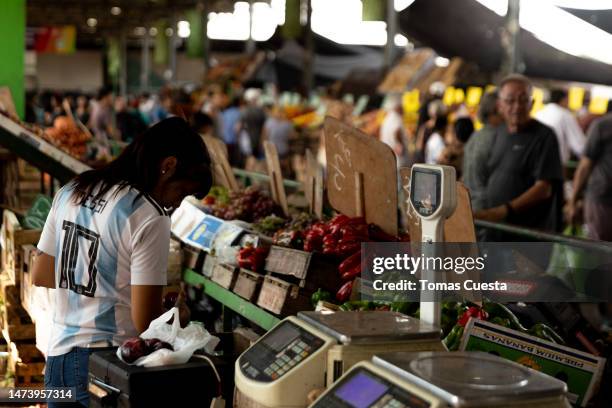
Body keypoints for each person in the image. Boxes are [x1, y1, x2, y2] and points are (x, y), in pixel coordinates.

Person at [31, 117, 213, 407]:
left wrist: (108, 283)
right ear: (168, 166)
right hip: (107, 368)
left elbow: (40, 273)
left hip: (58, 361)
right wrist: (179, 315)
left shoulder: (73, 189)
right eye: (182, 192)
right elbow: (146, 323)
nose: (177, 205)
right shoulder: (149, 214)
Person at [475, 74, 564, 240]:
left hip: (527, 235)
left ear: (532, 104)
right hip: (496, 230)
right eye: (509, 101)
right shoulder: (499, 132)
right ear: (500, 105)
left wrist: (504, 210)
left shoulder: (545, 136)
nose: (517, 107)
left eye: (523, 100)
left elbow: (544, 188)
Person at [567, 113, 612, 241]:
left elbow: (584, 166)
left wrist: (573, 202)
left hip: (601, 198)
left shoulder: (601, 125)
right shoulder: (602, 125)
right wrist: (573, 202)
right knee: (600, 247)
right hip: (602, 200)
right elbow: (584, 167)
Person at [463, 91, 504, 211]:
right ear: (496, 109)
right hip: (488, 210)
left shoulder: (475, 136)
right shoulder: (497, 137)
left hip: (471, 206)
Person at [535, 88, 586, 165]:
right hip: (555, 164)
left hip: (535, 160)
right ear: (563, 99)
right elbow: (579, 145)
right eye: (568, 100)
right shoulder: (565, 115)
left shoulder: (538, 114)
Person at [379, 96, 409, 167]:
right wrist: (400, 145)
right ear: (398, 107)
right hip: (397, 154)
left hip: (388, 153)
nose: (403, 109)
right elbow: (397, 131)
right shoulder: (396, 118)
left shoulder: (387, 118)